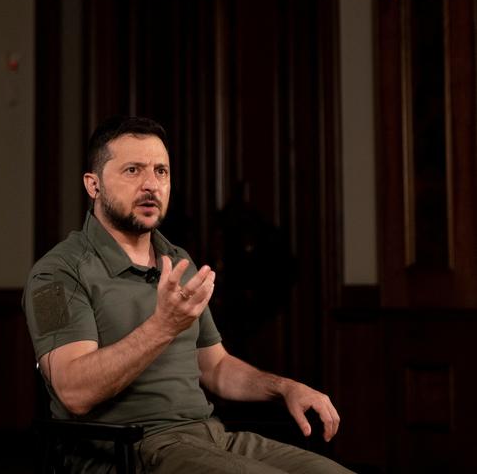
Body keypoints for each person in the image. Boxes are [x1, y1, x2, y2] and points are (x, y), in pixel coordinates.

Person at [22, 116, 354, 473]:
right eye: (133, 170)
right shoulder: (56, 273)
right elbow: (74, 392)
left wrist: (284, 387)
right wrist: (162, 326)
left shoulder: (177, 260)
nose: (151, 185)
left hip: (210, 437)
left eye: (161, 171)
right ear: (94, 184)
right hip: (131, 450)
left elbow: (217, 367)